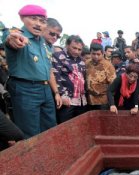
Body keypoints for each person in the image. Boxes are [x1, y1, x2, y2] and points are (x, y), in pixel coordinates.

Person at [3, 4, 61, 138]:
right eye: (33, 19)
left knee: (50, 130)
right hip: (26, 89)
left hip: (46, 90)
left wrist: (56, 92)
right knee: (30, 134)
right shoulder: (18, 35)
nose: (38, 24)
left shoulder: (44, 43)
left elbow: (48, 69)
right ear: (22, 18)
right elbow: (11, 39)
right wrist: (13, 39)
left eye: (42, 21)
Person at [52, 35, 87, 124]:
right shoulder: (58, 57)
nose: (76, 51)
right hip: (66, 99)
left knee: (80, 125)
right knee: (65, 125)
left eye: (79, 49)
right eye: (74, 48)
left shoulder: (81, 61)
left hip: (80, 100)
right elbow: (56, 77)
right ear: (67, 45)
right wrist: (62, 95)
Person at [86, 43, 116, 110]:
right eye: (93, 54)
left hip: (103, 100)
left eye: (98, 54)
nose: (96, 56)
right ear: (90, 53)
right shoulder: (87, 63)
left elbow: (113, 85)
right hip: (89, 100)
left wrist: (111, 102)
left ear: (102, 54)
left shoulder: (108, 65)